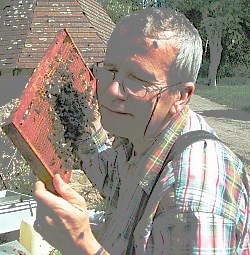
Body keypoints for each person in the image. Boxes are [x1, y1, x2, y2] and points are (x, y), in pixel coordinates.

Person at [34, 7, 250, 255]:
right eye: (111, 70)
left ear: (181, 95)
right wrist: (79, 122)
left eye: (138, 80)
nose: (113, 90)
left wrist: (82, 246)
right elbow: (113, 177)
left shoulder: (193, 200)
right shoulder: (143, 136)